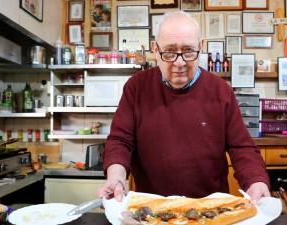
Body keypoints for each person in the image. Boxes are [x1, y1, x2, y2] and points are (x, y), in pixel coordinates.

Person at [98, 11, 270, 204]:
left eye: (188, 51)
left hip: (210, 211)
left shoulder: (221, 90)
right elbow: (120, 141)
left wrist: (256, 181)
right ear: (155, 49)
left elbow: (241, 147)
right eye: (169, 52)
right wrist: (116, 177)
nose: (179, 63)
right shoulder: (136, 87)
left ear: (201, 47)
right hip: (151, 210)